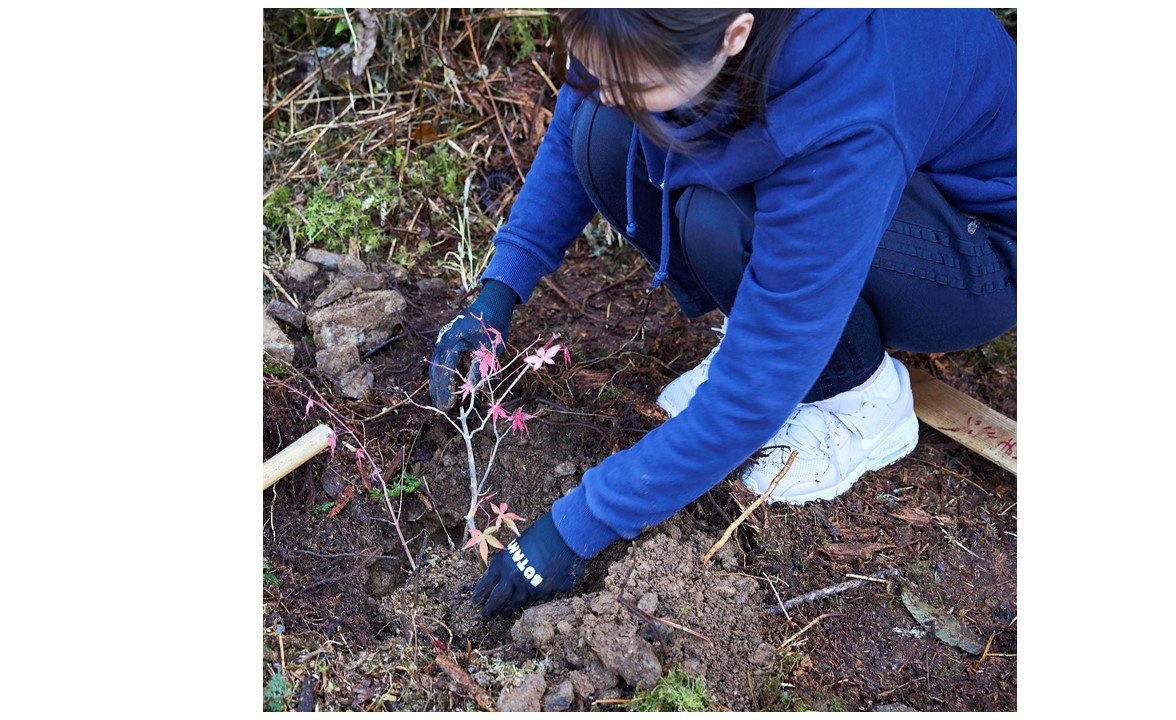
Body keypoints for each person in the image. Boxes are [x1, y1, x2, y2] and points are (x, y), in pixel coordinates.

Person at [429, 9, 1016, 619]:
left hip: (981, 244)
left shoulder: (842, 110)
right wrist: (499, 292)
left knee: (727, 222)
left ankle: (859, 401)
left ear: (735, 34)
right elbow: (588, 103)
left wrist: (576, 526)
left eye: (637, 82)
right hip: (874, 169)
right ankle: (771, 311)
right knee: (605, 126)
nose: (605, 88)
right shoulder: (653, 24)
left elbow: (751, 394)